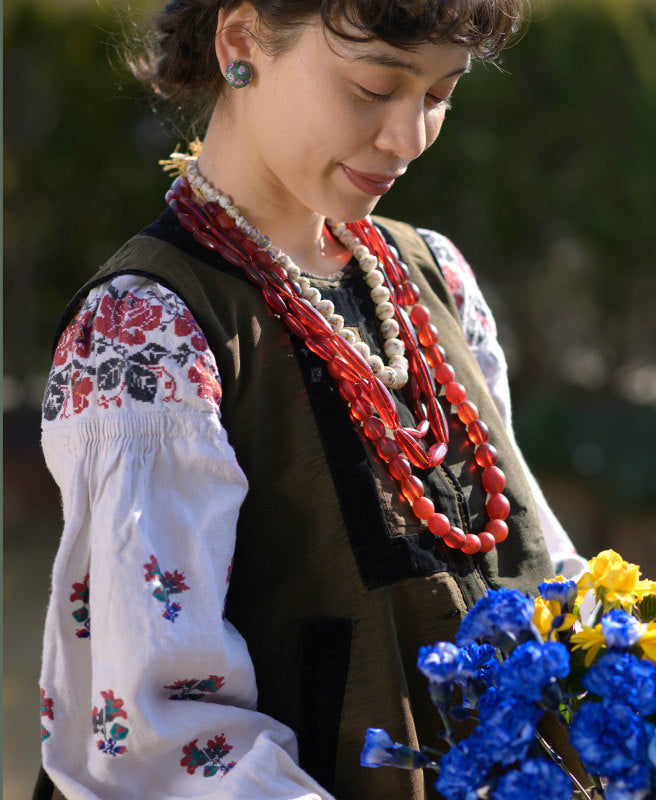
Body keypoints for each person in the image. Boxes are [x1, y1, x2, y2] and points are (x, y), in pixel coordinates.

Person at [36, 2, 587, 798]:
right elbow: (157, 733)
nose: (408, 137)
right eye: (373, 87)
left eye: (439, 95)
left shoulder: (431, 275)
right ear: (241, 42)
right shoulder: (149, 330)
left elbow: (540, 567)